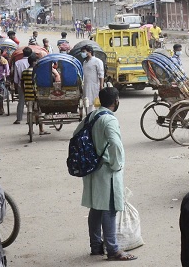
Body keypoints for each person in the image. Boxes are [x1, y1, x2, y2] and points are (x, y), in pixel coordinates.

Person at [77, 87, 135, 261]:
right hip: (107, 170)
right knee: (109, 208)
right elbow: (115, 144)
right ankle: (113, 250)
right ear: (116, 100)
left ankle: (96, 246)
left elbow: (76, 133)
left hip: (93, 168)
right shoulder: (109, 120)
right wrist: (116, 164)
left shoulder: (92, 115)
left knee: (96, 208)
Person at [22, 54, 50, 136]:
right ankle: (41, 129)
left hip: (28, 96)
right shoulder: (37, 72)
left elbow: (21, 83)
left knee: (30, 113)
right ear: (34, 62)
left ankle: (30, 130)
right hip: (36, 96)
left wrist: (25, 93)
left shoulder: (24, 72)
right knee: (39, 113)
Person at [82, 45, 105, 113]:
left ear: (90, 52)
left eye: (84, 52)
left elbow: (101, 74)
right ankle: (89, 116)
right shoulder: (85, 62)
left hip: (95, 85)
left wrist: (101, 85)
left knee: (96, 102)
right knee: (87, 102)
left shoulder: (97, 61)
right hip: (86, 85)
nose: (82, 54)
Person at [13, 47, 32, 125]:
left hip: (22, 84)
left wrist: (17, 85)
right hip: (32, 85)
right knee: (32, 102)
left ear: (23, 53)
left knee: (21, 101)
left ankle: (19, 119)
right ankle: (30, 119)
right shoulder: (32, 62)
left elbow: (15, 78)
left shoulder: (17, 63)